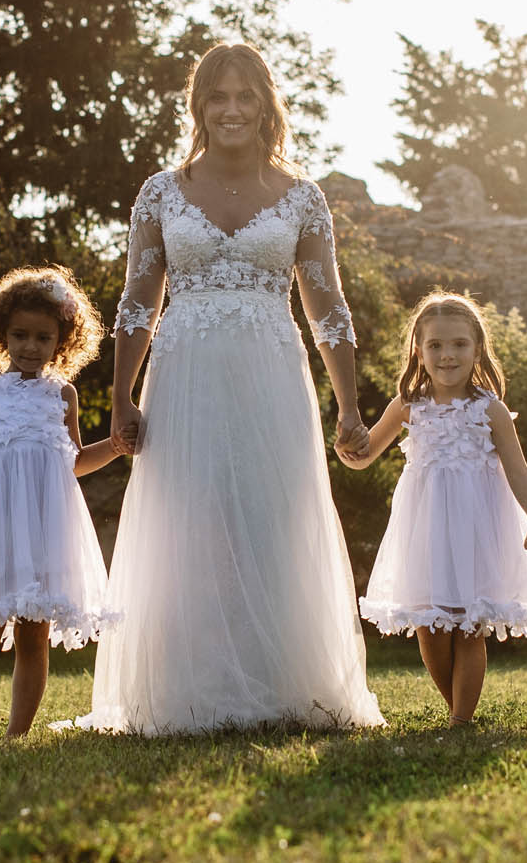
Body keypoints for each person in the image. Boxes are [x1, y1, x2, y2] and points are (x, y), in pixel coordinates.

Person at [72, 43, 384, 734]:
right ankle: (194, 688)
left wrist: (349, 406)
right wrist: (122, 396)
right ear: (199, 107)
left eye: (246, 95)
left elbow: (327, 308)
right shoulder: (160, 191)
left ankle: (278, 684)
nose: (233, 109)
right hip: (184, 374)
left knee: (273, 519)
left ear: (267, 106)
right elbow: (135, 302)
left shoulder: (303, 198)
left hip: (271, 372)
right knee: (192, 520)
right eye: (219, 96)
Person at [345, 292, 527, 724]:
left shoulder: (491, 410)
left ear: (477, 349)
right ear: (419, 349)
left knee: (469, 626)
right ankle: (458, 709)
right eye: (435, 346)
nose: (447, 355)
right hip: (425, 528)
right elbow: (363, 455)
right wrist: (347, 448)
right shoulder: (407, 406)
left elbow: (519, 472)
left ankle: (461, 722)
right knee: (430, 629)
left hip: (476, 528)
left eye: (458, 345)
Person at [0, 266, 124, 737]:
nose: (30, 347)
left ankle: (17, 733)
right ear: (1, 334)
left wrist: (114, 447)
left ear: (62, 341)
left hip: (42, 525)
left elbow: (71, 462)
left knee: (34, 636)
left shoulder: (63, 395)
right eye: (19, 335)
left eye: (42, 337)